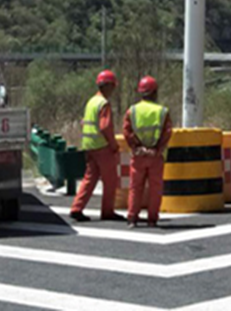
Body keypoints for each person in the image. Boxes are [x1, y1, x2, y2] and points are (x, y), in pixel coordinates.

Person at [70, 70, 123, 222]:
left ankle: (76, 207)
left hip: (89, 147)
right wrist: (113, 145)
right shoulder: (103, 104)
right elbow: (105, 127)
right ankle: (107, 211)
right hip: (102, 147)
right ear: (107, 86)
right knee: (110, 180)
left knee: (89, 178)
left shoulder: (91, 101)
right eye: (112, 86)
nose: (113, 90)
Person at [123, 75, 172, 228]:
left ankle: (132, 218)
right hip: (155, 156)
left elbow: (127, 131)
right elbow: (167, 132)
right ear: (155, 92)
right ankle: (152, 219)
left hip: (138, 156)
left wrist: (136, 147)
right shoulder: (162, 111)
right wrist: (158, 149)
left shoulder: (132, 111)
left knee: (135, 187)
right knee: (155, 188)